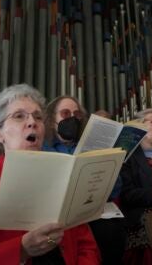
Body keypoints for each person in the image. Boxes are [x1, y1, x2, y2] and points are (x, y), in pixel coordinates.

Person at [0, 84, 100, 264]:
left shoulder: (63, 182)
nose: (32, 122)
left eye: (38, 117)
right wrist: (20, 250)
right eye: (19, 116)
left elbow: (86, 246)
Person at [43, 96, 126, 265]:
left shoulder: (90, 146)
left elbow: (115, 189)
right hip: (61, 216)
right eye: (66, 113)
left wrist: (108, 164)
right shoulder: (44, 148)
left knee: (113, 227)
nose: (73, 118)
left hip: (93, 210)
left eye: (77, 114)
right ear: (52, 121)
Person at [119, 109, 152, 265]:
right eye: (151, 121)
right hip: (145, 216)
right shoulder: (127, 159)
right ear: (138, 127)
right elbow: (126, 195)